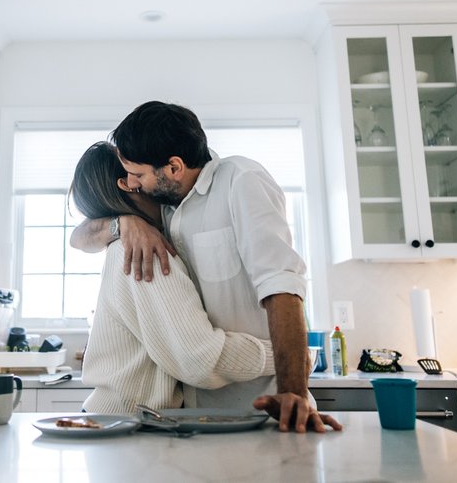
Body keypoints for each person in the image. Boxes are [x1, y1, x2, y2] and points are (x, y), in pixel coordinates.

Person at [71, 102, 341, 433]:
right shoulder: (149, 231)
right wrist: (122, 222)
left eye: (137, 175)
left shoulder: (238, 182)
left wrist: (294, 379)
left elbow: (281, 283)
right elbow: (79, 236)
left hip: (261, 408)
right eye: (127, 178)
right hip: (185, 420)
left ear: (173, 167)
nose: (133, 183)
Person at [69, 141, 276, 414]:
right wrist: (284, 355)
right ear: (128, 183)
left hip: (116, 419)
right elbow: (199, 358)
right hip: (127, 426)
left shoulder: (127, 242)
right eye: (140, 172)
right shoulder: (143, 251)